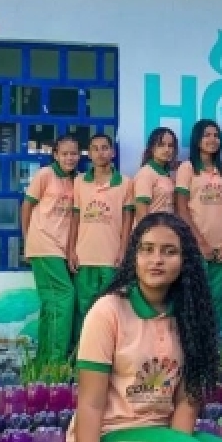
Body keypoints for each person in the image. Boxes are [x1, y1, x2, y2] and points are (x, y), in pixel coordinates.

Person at [62, 213, 222, 442]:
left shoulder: (190, 316)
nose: (156, 260)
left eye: (169, 252)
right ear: (134, 256)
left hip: (165, 439)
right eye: (147, 249)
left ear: (186, 261)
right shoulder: (109, 310)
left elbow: (186, 398)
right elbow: (89, 403)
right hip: (112, 437)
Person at [22, 134, 80, 367]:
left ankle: (43, 362)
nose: (69, 158)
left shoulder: (77, 179)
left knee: (51, 304)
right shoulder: (45, 174)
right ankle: (56, 363)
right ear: (55, 154)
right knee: (65, 297)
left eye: (74, 153)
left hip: (62, 248)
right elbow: (26, 207)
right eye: (64, 153)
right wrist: (28, 240)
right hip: (44, 245)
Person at [68, 133, 135, 337]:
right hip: (84, 257)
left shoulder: (125, 183)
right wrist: (71, 250)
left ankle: (108, 356)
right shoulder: (80, 182)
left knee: (110, 308)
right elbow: (75, 219)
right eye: (95, 148)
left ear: (112, 152)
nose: (100, 152)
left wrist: (123, 251)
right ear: (89, 154)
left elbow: (127, 221)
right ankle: (81, 356)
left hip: (111, 258)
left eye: (105, 147)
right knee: (83, 310)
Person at [176, 120, 222, 320]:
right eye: (207, 135)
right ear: (197, 139)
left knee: (216, 300)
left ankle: (212, 346)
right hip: (195, 246)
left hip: (221, 248)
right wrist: (200, 243)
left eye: (216, 135)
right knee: (193, 298)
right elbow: (182, 209)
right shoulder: (188, 168)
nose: (213, 140)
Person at [133, 127, 178, 221]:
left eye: (170, 145)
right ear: (152, 148)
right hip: (151, 232)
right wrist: (149, 234)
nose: (167, 149)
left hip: (167, 230)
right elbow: (142, 215)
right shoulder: (145, 174)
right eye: (161, 145)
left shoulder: (168, 174)